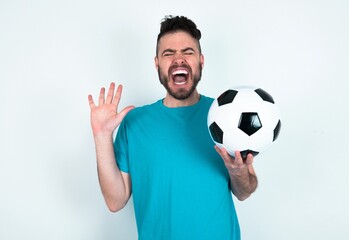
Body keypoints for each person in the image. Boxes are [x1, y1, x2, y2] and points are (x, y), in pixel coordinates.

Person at [88, 15, 258, 240]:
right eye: (168, 54)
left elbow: (245, 191)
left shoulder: (225, 115)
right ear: (157, 63)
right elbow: (115, 201)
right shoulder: (135, 122)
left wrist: (239, 172)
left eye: (188, 52)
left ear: (201, 61)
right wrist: (102, 137)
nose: (179, 59)